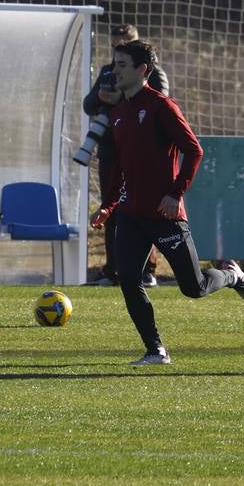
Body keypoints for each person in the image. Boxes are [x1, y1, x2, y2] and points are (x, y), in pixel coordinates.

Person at [94, 38, 244, 365]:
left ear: (142, 70)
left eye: (122, 65)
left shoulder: (162, 107)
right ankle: (155, 350)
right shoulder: (119, 113)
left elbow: (194, 150)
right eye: (114, 64)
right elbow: (120, 167)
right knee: (128, 278)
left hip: (164, 214)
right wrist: (108, 205)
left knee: (194, 287)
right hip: (131, 214)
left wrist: (175, 194)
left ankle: (231, 275)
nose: (115, 71)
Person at [83, 24, 169, 289]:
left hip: (141, 155)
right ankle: (112, 270)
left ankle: (147, 271)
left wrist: (119, 99)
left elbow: (158, 102)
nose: (117, 53)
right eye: (114, 47)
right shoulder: (108, 72)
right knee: (111, 209)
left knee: (143, 209)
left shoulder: (153, 73)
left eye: (124, 46)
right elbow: (88, 104)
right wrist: (100, 97)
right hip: (111, 152)